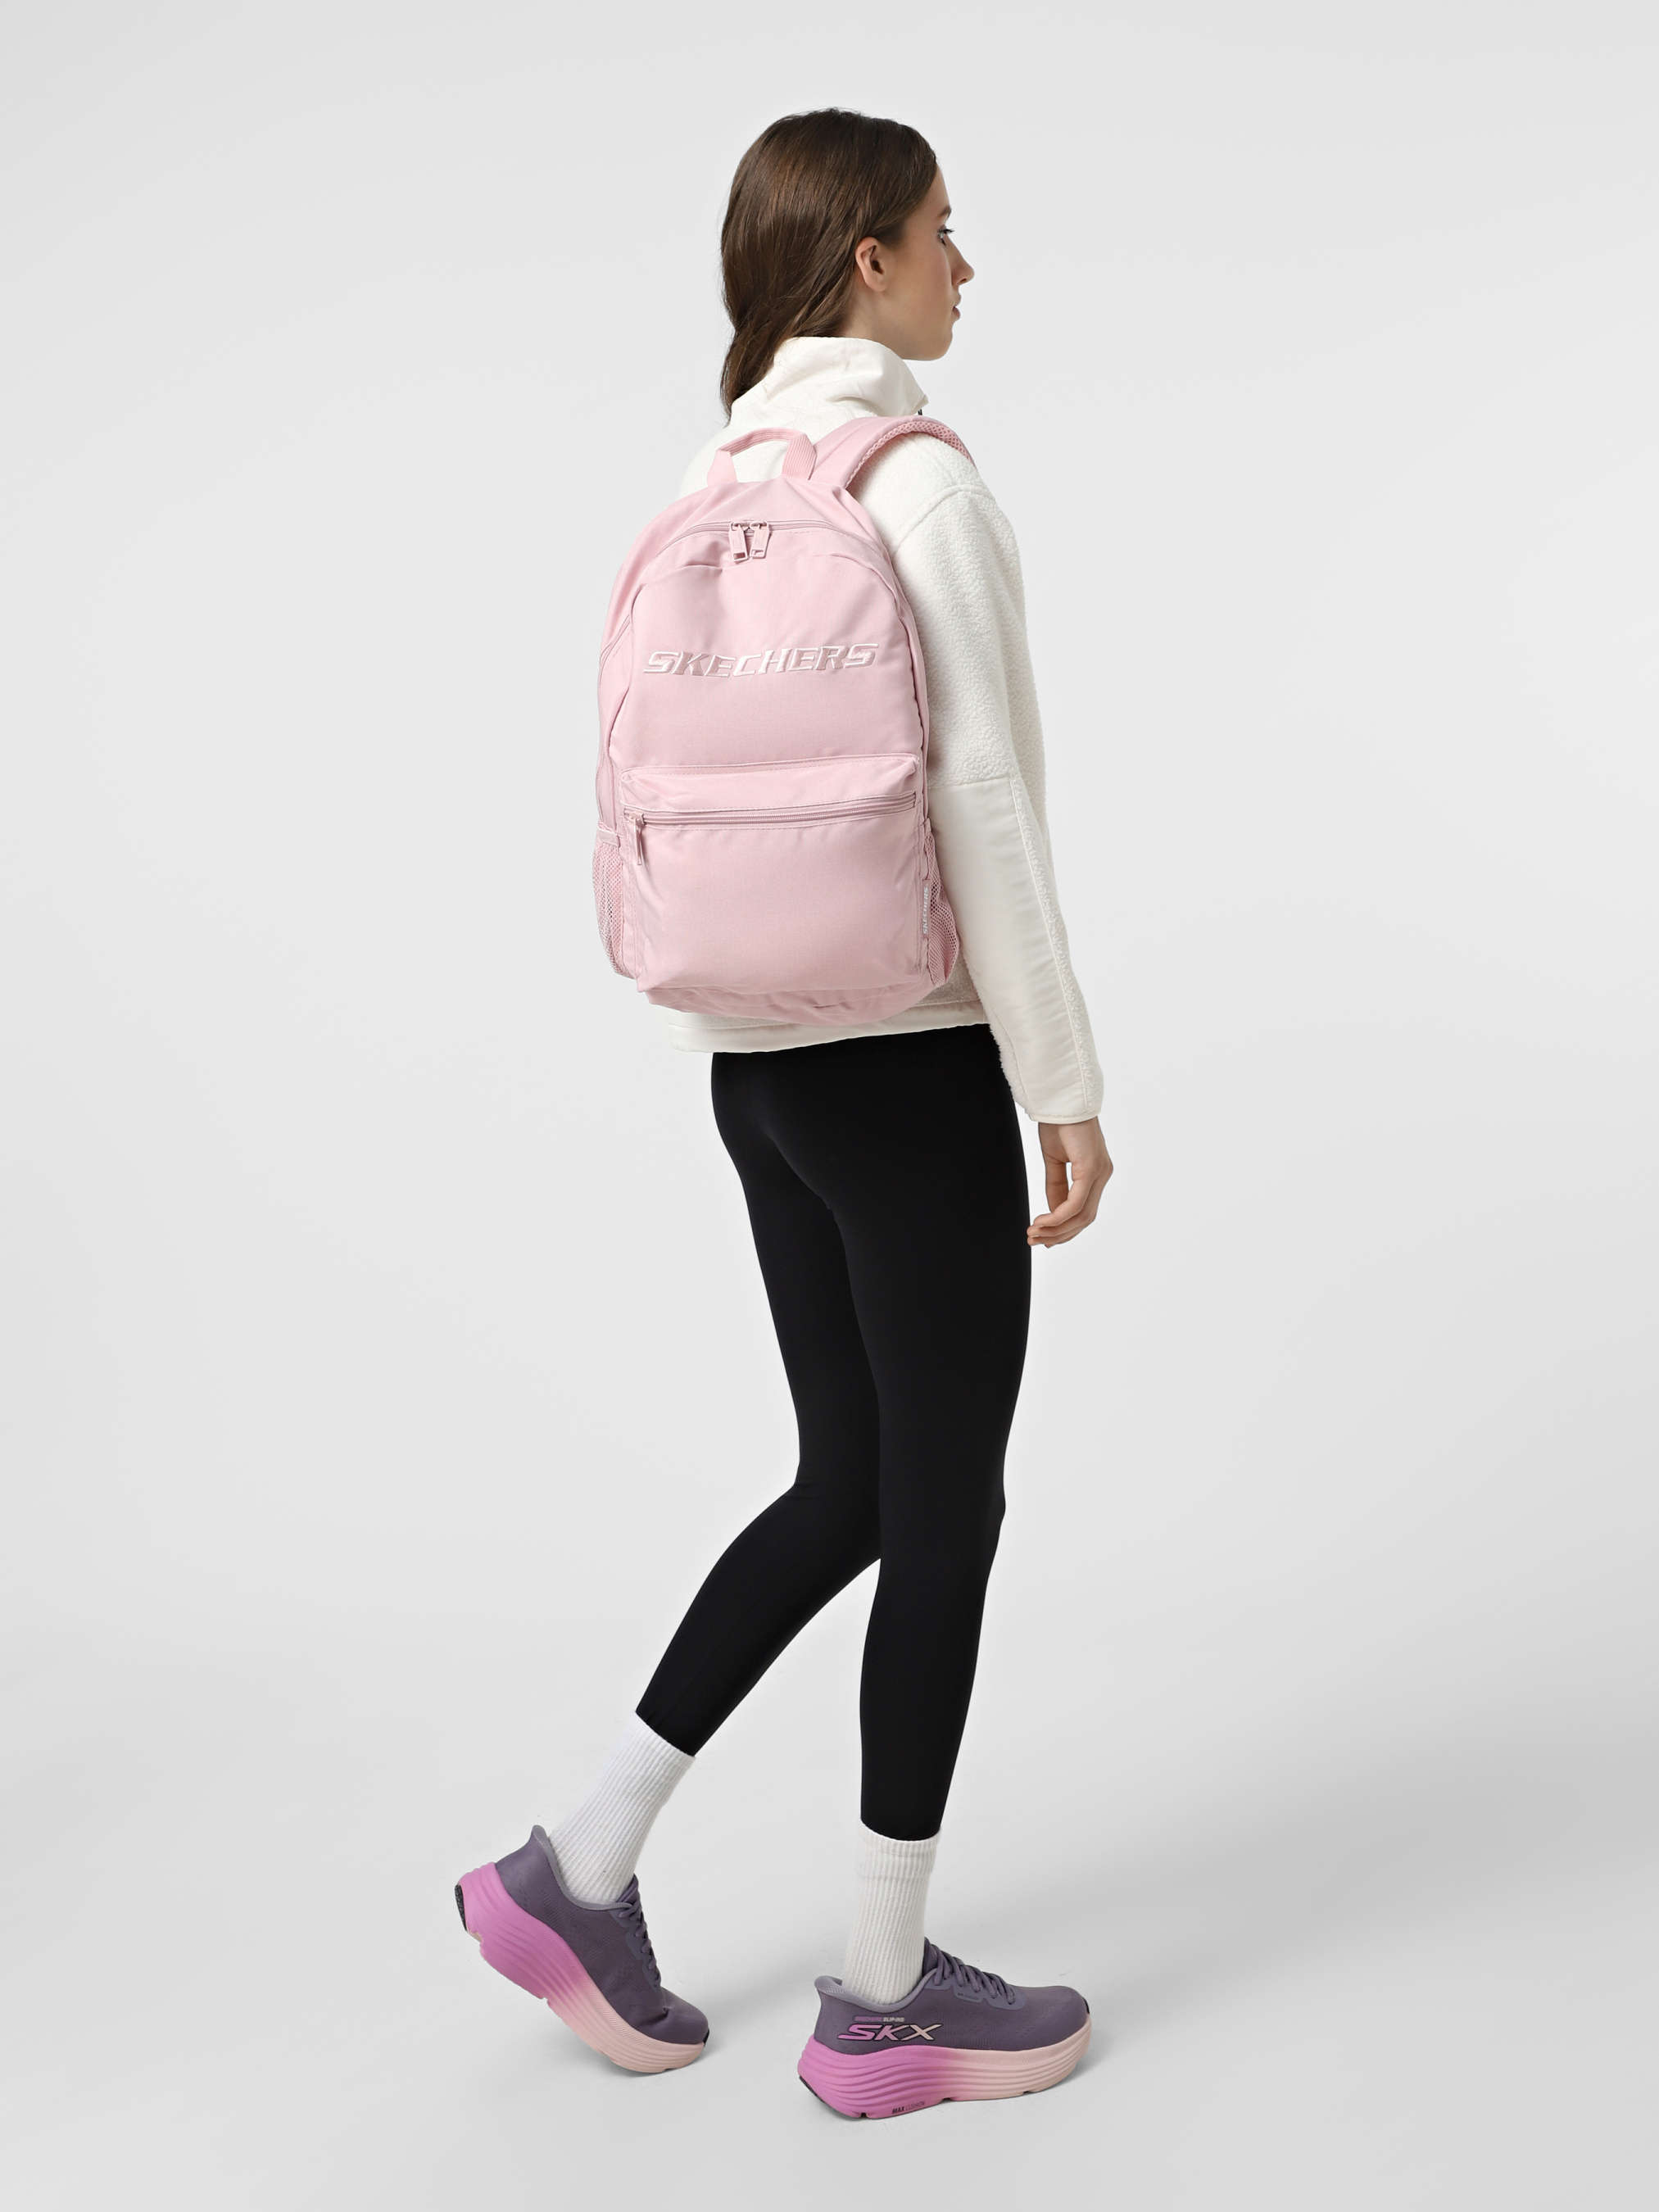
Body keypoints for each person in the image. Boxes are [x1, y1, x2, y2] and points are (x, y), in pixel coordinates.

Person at [456, 107, 1113, 2121]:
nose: (965, 267)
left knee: (852, 1484)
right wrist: (1058, 1076)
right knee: (944, 1508)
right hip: (905, 1061)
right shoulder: (914, 484)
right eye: (940, 231)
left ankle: (575, 1869)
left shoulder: (716, 478)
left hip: (754, 1065)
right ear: (863, 262)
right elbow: (983, 795)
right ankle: (886, 1999)